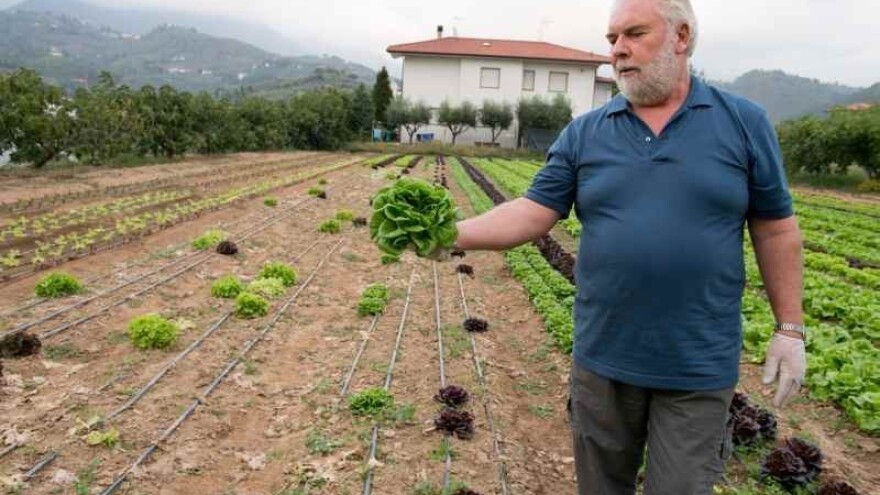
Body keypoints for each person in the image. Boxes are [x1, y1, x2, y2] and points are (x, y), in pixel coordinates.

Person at [445, 0, 806, 493]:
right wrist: (453, 234)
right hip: (603, 360)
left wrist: (790, 329)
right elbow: (532, 211)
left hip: (697, 365)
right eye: (612, 39)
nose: (618, 50)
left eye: (634, 34)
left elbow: (776, 228)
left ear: (681, 37)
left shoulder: (743, 123)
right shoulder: (586, 132)